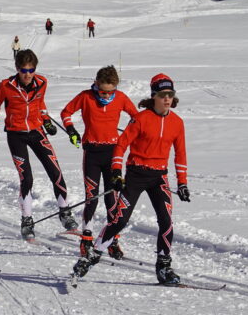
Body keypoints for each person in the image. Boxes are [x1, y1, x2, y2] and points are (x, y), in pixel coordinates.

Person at [70, 73, 190, 285]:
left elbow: (180, 154)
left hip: (159, 177)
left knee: (167, 221)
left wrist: (182, 183)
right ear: (154, 96)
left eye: (170, 94)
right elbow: (121, 145)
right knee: (119, 220)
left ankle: (163, 267)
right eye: (163, 94)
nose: (167, 99)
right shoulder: (141, 119)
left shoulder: (177, 123)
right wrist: (116, 171)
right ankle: (93, 254)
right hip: (136, 175)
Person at [0, 49, 77, 240]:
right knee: (26, 178)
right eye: (23, 70)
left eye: (31, 70)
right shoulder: (6, 85)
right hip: (16, 134)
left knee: (55, 171)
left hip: (36, 131)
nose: (27, 75)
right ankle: (27, 219)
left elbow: (40, 104)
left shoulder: (42, 82)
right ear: (17, 69)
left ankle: (65, 213)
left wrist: (46, 121)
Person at [60, 65, 138, 259]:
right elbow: (65, 112)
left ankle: (112, 239)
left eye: (111, 92)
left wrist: (128, 134)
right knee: (91, 196)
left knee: (112, 198)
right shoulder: (86, 96)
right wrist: (71, 130)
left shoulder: (120, 98)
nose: (106, 96)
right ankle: (86, 237)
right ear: (96, 84)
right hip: (92, 152)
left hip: (113, 153)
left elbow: (137, 118)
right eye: (102, 92)